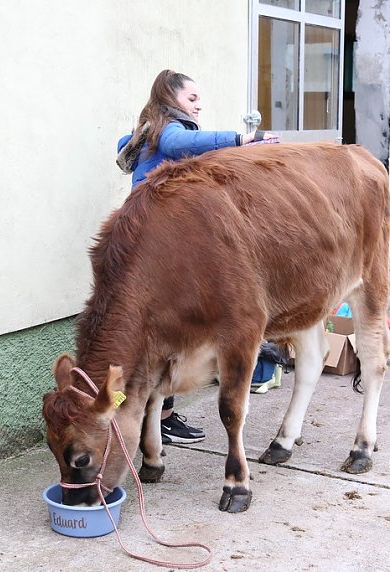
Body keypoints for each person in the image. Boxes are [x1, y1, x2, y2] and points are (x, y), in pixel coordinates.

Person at [116, 69, 277, 445]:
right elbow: (178, 143)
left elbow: (129, 144)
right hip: (160, 241)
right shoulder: (169, 130)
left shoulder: (146, 134)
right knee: (170, 327)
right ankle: (162, 418)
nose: (199, 104)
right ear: (169, 101)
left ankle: (157, 416)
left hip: (146, 240)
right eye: (191, 99)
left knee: (155, 329)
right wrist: (241, 138)